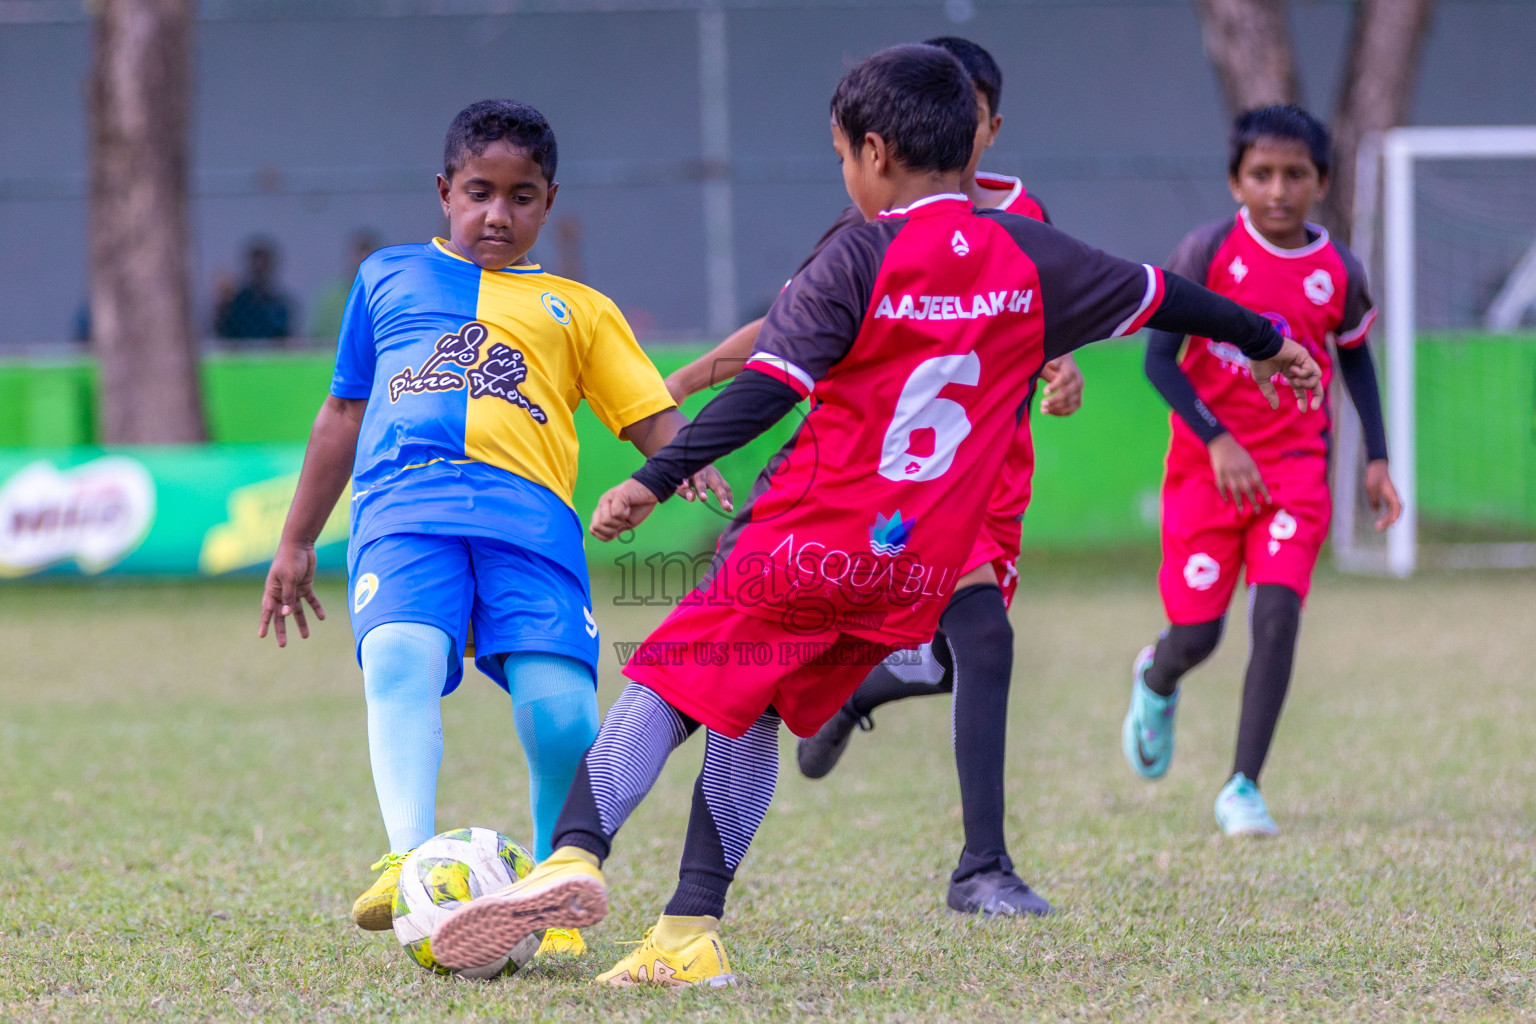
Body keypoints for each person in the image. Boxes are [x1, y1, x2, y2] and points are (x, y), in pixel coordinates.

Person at [426, 45, 1322, 986]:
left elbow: (770, 387)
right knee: (754, 714)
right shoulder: (1032, 251)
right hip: (909, 569)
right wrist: (1268, 340)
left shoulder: (862, 251)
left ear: (876, 151)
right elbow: (1163, 294)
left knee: (667, 681)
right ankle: (687, 935)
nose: (845, 176)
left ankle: (573, 855)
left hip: (805, 539)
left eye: (843, 157)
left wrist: (657, 475)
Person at [256, 99, 727, 958]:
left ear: (548, 203)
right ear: (444, 191)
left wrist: (689, 458)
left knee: (564, 717)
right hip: (404, 508)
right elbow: (341, 413)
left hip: (531, 526)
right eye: (479, 191)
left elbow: (647, 413)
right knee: (399, 653)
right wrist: (295, 540)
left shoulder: (579, 307)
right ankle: (406, 861)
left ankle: (553, 882)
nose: (497, 214)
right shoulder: (384, 277)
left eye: (521, 196)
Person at [791, 36, 1082, 919]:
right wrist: (697, 378)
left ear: (989, 122)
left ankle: (861, 684)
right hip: (912, 474)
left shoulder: (1023, 215)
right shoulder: (876, 225)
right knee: (986, 639)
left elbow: (1048, 307)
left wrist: (1058, 365)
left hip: (997, 470)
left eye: (975, 108)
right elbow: (798, 313)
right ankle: (982, 867)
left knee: (962, 657)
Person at [1121, 105, 1402, 836]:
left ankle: (1243, 785)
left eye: (1295, 175)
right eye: (1262, 174)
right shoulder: (1207, 252)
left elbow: (1355, 360)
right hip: (1204, 471)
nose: (1278, 190)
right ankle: (1157, 678)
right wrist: (1217, 441)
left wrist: (1377, 455)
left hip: (1296, 469)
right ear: (1235, 182)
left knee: (1276, 616)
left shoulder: (1339, 270)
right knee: (1198, 638)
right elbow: (1159, 361)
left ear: (1322, 182)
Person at [215, 237, 296, 340]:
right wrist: (221, 302)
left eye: (263, 265)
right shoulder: (236, 303)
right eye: (256, 265)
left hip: (271, 354)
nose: (259, 269)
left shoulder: (279, 303)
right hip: (240, 354)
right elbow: (221, 332)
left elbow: (284, 336)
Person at [309, 230, 381, 343]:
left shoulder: (388, 297)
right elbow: (316, 341)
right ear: (350, 258)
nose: (364, 267)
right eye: (359, 259)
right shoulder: (331, 297)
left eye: (369, 260)